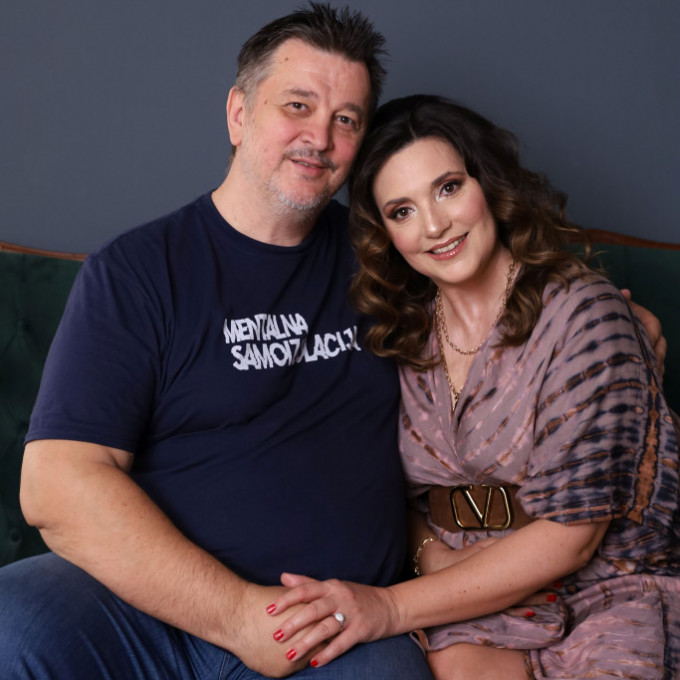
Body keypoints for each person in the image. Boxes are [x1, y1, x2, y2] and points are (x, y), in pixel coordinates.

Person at [0, 5, 435, 679]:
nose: (319, 138)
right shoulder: (139, 271)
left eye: (346, 120)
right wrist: (234, 615)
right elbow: (56, 483)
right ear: (238, 113)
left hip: (332, 624)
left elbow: (503, 297)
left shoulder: (390, 256)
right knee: (11, 620)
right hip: (149, 614)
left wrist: (609, 324)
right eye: (297, 106)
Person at [264, 95, 680, 679]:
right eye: (402, 211)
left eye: (448, 188)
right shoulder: (397, 334)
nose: (434, 226)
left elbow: (573, 540)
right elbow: (379, 489)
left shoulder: (584, 315)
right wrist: (430, 553)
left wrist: (386, 607)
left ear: (488, 183)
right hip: (465, 594)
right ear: (384, 233)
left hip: (608, 587)